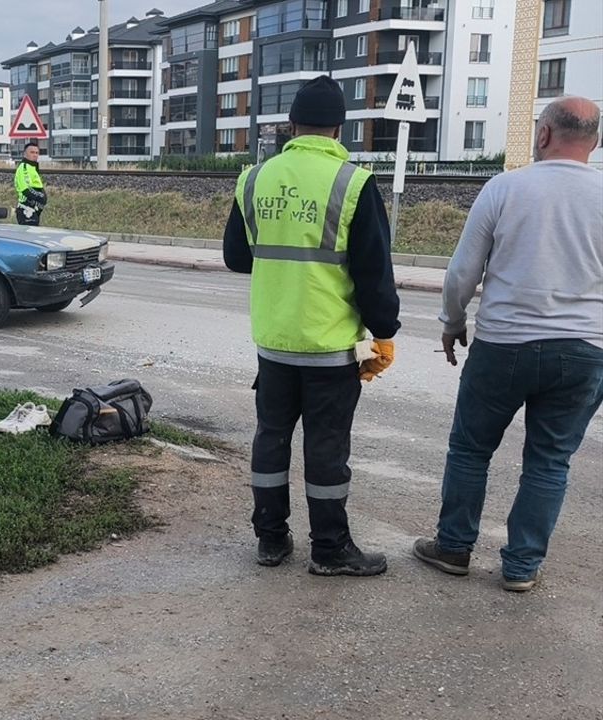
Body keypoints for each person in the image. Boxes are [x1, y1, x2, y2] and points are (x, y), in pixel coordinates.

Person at [412, 97, 603, 593]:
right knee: (549, 460)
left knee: (471, 449)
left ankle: (453, 548)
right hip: (584, 349)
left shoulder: (505, 187)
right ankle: (521, 567)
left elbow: (462, 274)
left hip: (504, 345)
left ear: (543, 135)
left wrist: (453, 322)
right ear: (595, 141)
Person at [222, 75, 401, 577]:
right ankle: (329, 549)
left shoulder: (254, 179)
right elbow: (374, 274)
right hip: (329, 349)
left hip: (274, 344)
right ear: (339, 130)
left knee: (271, 438)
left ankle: (271, 540)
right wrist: (384, 333)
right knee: (326, 448)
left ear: (292, 125)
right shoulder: (354, 184)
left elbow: (237, 257)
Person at [14, 141, 47, 226]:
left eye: (37, 153)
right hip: (26, 210)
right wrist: (41, 196)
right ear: (25, 154)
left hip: (34, 210)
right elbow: (26, 189)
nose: (35, 155)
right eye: (32, 152)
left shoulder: (32, 168)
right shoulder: (24, 167)